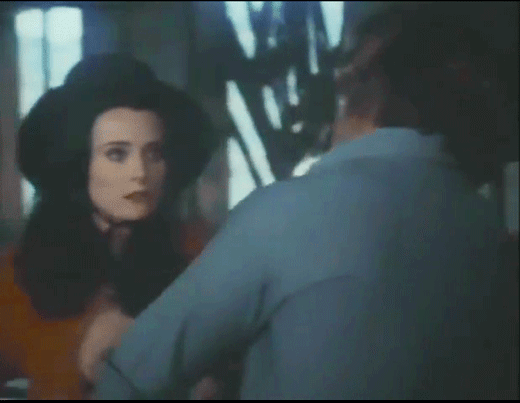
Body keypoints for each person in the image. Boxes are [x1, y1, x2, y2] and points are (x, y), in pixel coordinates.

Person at [93, 3, 518, 399]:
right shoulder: (487, 229)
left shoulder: (287, 214)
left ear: (364, 89)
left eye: (352, 70)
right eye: (116, 153)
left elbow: (130, 379)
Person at [0, 53, 220, 398]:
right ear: (79, 163)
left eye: (154, 153)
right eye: (117, 154)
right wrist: (76, 353)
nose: (140, 173)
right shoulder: (17, 275)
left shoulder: (201, 254)